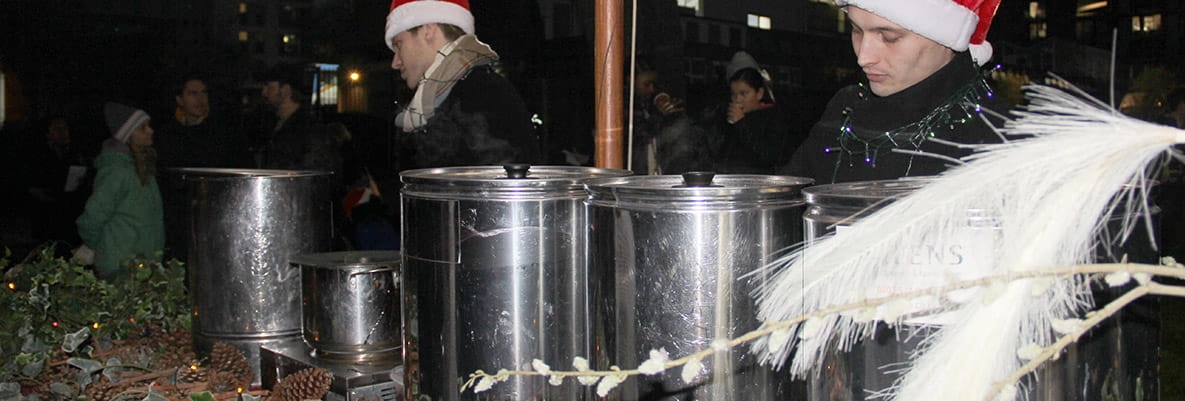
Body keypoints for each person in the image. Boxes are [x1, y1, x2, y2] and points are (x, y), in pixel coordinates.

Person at [781, 0, 1006, 184]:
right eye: (856, 30)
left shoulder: (996, 137)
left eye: (890, 38)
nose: (863, 57)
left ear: (944, 38)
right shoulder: (845, 109)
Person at [384, 0, 539, 169]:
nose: (395, 62)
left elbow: (505, 186)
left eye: (399, 44)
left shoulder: (480, 93)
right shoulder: (454, 93)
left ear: (427, 30)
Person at [76, 103, 165, 280]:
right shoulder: (117, 171)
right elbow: (93, 216)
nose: (150, 131)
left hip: (142, 264)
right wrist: (97, 245)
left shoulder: (141, 167)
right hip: (121, 265)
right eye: (142, 128)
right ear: (128, 134)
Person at [712, 52, 801, 174]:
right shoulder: (727, 118)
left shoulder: (774, 118)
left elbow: (767, 157)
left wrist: (741, 124)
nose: (738, 99)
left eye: (744, 93)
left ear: (759, 93)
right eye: (734, 94)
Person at [155, 76, 251, 171]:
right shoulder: (169, 134)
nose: (200, 99)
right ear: (180, 99)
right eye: (193, 93)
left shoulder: (224, 132)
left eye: (204, 93)